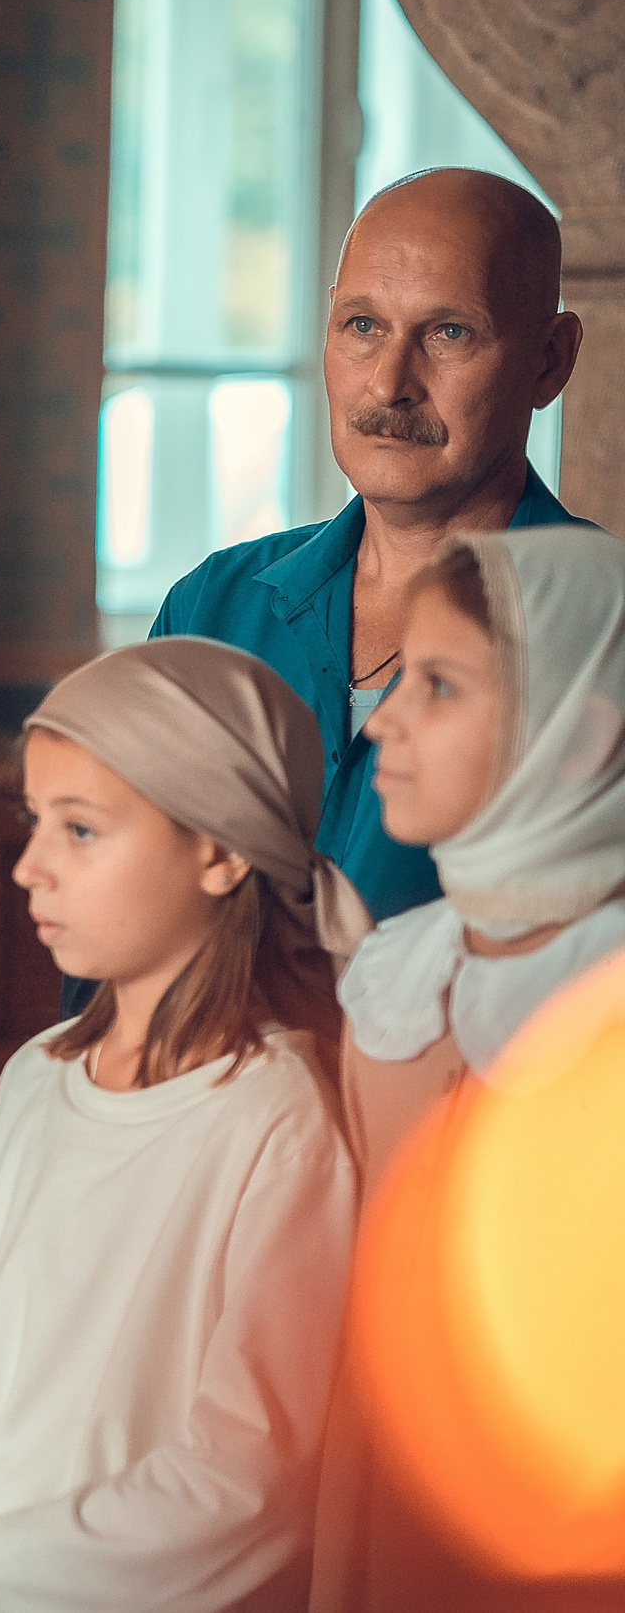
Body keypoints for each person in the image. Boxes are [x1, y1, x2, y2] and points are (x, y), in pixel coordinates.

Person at [0, 639, 362, 1613]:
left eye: (80, 831)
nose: (29, 868)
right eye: (35, 822)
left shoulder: (278, 1120)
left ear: (218, 851)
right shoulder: (40, 1083)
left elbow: (244, 1478)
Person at [309, 526, 625, 1613]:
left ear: (578, 738)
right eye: (395, 680)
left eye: (438, 687)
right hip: (380, 1497)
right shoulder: (396, 971)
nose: (379, 719)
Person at [150, 168, 588, 926]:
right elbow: (123, 936)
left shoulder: (599, 636)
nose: (389, 385)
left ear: (549, 361)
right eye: (362, 326)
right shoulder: (212, 608)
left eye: (449, 332)